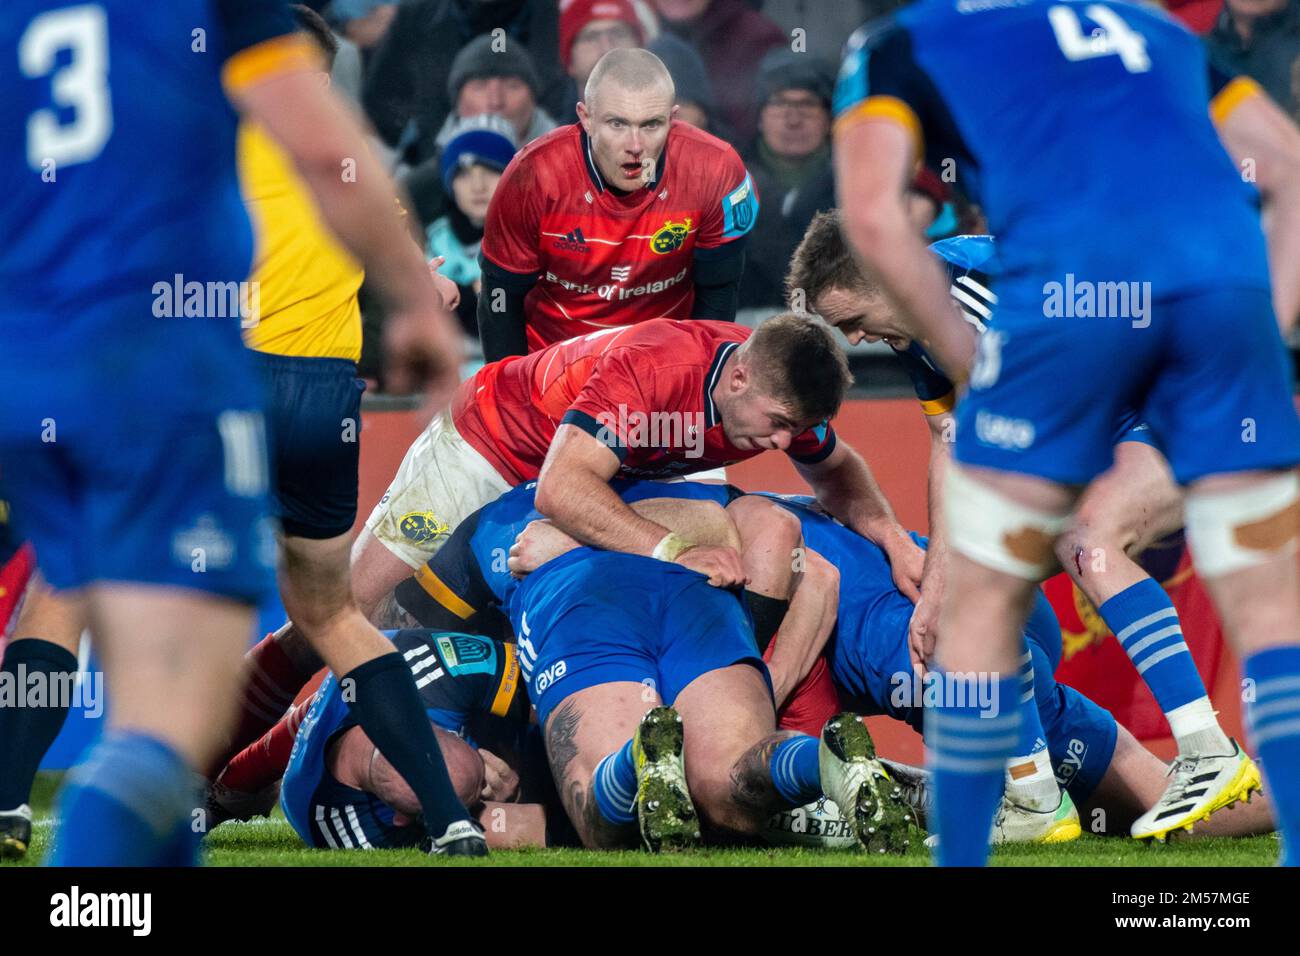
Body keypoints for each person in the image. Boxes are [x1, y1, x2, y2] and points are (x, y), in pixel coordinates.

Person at [834, 0, 1300, 866]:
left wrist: (962, 349)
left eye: (850, 319)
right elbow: (1288, 168)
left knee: (1047, 552)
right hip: (1217, 309)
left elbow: (873, 222)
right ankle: (1047, 790)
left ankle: (1182, 752)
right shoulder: (1150, 27)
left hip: (1095, 305)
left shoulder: (904, 45)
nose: (855, 338)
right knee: (1260, 599)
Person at [0, 0, 463, 866]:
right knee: (313, 619)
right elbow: (348, 185)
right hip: (301, 392)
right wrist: (416, 300)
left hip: (82, 367)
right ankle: (452, 818)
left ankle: (10, 804)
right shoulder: (252, 79)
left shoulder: (157, 106)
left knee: (63, 596)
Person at [787, 212, 1261, 840]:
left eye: (852, 319)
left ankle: (1207, 749)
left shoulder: (970, 293)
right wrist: (935, 589)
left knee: (1085, 539)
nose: (854, 337)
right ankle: (1035, 797)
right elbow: (948, 442)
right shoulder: (919, 328)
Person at [393, 478, 920, 851]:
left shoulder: (511, 517)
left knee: (597, 815)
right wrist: (762, 680)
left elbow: (414, 631)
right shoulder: (690, 488)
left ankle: (635, 762)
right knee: (731, 794)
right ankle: (822, 763)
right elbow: (788, 543)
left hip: (582, 600)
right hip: (700, 592)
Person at [476, 47, 759, 362]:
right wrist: (512, 395)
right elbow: (500, 301)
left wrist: (695, 380)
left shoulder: (717, 170)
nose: (635, 146)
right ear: (586, 118)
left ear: (672, 119)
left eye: (651, 124)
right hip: (553, 370)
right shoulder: (532, 176)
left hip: (662, 367)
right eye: (617, 124)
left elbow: (718, 295)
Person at [738, 50, 836, 310]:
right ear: (759, 117)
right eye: (779, 104)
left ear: (829, 119)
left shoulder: (855, 187)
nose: (793, 120)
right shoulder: (726, 183)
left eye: (808, 104)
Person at [423, 115, 518, 345]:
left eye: (490, 170)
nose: (478, 186)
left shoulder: (529, 237)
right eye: (464, 174)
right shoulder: (437, 240)